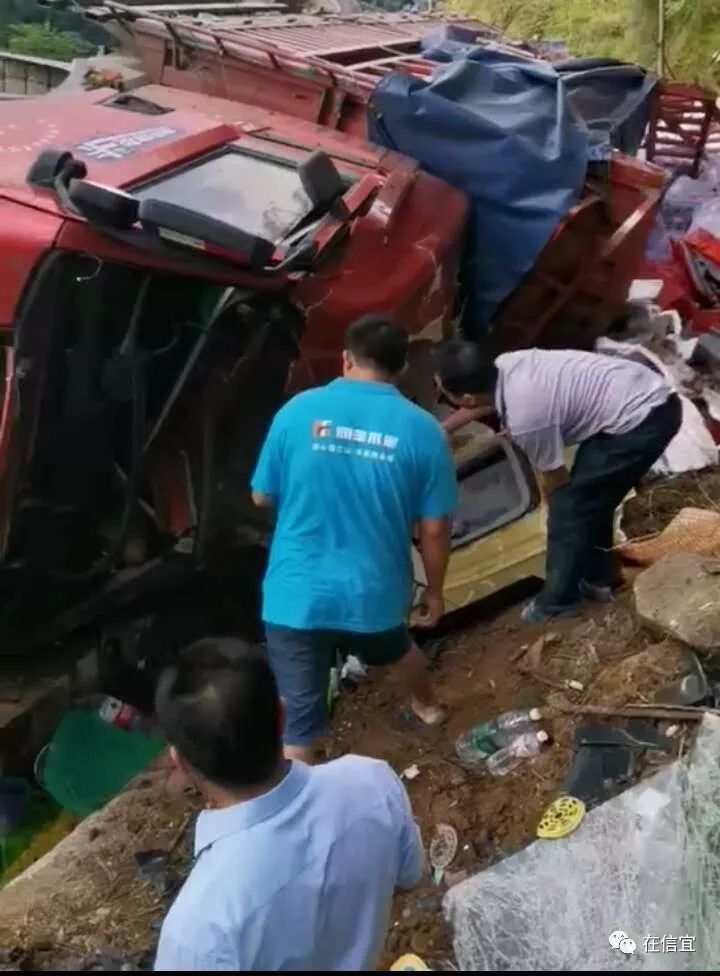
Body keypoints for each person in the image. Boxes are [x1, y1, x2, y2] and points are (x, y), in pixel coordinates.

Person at [251, 314, 457, 763]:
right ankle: (429, 710)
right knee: (397, 649)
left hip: (295, 592)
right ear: (401, 368)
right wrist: (436, 593)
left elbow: (262, 496)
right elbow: (435, 527)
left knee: (301, 718)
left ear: (346, 359)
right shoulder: (424, 430)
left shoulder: (296, 411)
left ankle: (302, 805)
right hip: (373, 592)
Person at [154, 638, 424, 972]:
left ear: (179, 762)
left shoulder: (198, 931)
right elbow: (410, 875)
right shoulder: (371, 781)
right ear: (282, 715)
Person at [436, 342, 682, 622]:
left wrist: (550, 512)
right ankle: (600, 577)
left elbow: (554, 478)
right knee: (592, 499)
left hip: (643, 420)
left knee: (570, 507)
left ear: (465, 397)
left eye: (442, 389)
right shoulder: (507, 362)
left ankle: (558, 602)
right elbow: (484, 401)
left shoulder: (527, 418)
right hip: (638, 392)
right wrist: (444, 428)